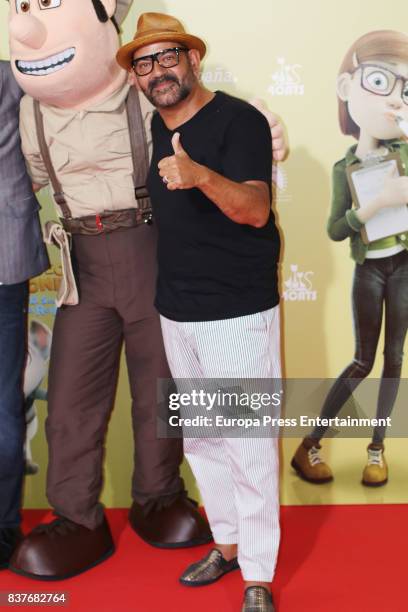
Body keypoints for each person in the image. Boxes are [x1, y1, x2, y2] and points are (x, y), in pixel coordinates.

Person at [6, 0, 286, 581]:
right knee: (71, 400)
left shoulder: (149, 98)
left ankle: (160, 497)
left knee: (164, 393)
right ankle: (77, 517)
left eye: (167, 58)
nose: (29, 26)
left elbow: (217, 131)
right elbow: (20, 178)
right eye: (146, 61)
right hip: (81, 262)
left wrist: (264, 132)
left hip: (152, 251)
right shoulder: (26, 111)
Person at [117, 13, 282, 611]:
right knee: (205, 441)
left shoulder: (238, 120)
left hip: (237, 314)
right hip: (176, 311)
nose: (158, 71)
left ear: (191, 59)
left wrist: (198, 175)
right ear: (136, 76)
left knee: (248, 442)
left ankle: (259, 574)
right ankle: (231, 544)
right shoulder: (157, 128)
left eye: (167, 57)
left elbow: (256, 210)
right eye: (144, 62)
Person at [292, 30, 408, 488]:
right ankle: (310, 445)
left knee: (395, 359)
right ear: (348, 90)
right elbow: (336, 229)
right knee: (363, 361)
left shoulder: (404, 154)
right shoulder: (346, 169)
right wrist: (377, 203)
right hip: (371, 271)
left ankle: (376, 451)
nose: (396, 100)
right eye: (383, 83)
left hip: (404, 267)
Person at [0, 59, 49, 569]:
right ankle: (4, 527)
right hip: (6, 254)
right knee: (2, 402)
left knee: (2, 405)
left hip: (5, 261)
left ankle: (3, 526)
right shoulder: (14, 77)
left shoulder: (21, 74)